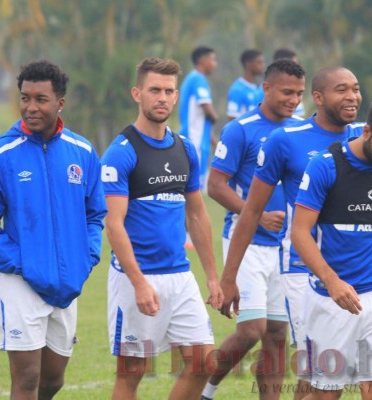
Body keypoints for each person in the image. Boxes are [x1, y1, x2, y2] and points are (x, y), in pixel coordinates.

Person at [218, 66, 365, 399]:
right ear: (319, 97)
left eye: (355, 89)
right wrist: (228, 279)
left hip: (355, 270)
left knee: (331, 378)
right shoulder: (285, 140)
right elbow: (251, 210)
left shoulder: (364, 136)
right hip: (301, 269)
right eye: (342, 89)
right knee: (319, 374)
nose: (353, 96)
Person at [0, 60, 106, 399]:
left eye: (41, 99)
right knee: (27, 380)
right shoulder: (1, 155)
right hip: (20, 282)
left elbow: (95, 215)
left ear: (60, 102)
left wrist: (86, 256)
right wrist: (24, 262)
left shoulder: (84, 152)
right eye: (25, 97)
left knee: (52, 381)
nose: (31, 107)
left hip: (66, 283)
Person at [102, 57, 223, 400]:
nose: (163, 98)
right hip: (136, 277)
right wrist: (139, 283)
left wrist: (212, 277)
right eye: (155, 90)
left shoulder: (184, 148)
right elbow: (114, 224)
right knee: (132, 374)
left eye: (169, 91)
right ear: (137, 93)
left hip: (180, 276)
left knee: (203, 362)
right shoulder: (120, 153)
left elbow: (197, 216)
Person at [291, 95, 372, 399]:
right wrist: (332, 282)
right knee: (326, 394)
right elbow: (300, 233)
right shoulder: (325, 166)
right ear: (367, 130)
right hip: (330, 300)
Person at [202, 59, 306, 400]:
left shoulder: (298, 131)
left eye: (299, 94)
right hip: (245, 243)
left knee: (277, 334)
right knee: (251, 331)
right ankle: (206, 389)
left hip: (286, 249)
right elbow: (215, 185)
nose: (293, 100)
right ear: (266, 88)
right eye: (287, 92)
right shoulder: (241, 129)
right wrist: (256, 215)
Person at [179, 46, 219, 189]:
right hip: (194, 140)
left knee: (193, 186)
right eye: (213, 59)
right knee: (193, 187)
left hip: (198, 139)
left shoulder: (193, 78)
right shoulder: (198, 79)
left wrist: (215, 142)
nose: (215, 64)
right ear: (203, 60)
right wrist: (215, 117)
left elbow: (203, 121)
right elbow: (207, 109)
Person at [226, 49, 265, 120]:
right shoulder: (237, 89)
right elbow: (232, 116)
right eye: (259, 62)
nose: (263, 66)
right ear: (248, 64)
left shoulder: (256, 89)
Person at [273, 48, 306, 118]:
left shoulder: (296, 92)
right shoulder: (263, 94)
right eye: (287, 92)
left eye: (300, 93)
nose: (294, 101)